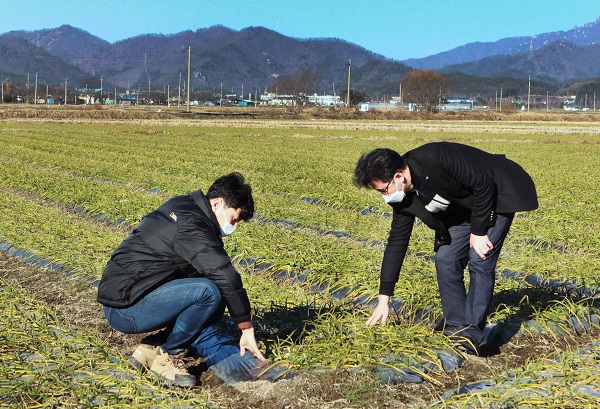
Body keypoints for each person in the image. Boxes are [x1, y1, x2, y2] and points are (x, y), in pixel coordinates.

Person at [353, 142, 538, 355]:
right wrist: (384, 298)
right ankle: (457, 326)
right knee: (446, 257)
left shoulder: (437, 157)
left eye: (384, 190)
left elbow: (483, 182)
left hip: (497, 193)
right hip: (465, 206)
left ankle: (471, 333)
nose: (385, 197)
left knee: (480, 257)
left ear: (398, 177)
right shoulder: (402, 196)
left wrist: (478, 232)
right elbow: (397, 241)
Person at [97, 173, 266, 386]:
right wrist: (246, 326)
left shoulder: (186, 208)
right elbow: (223, 273)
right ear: (217, 203)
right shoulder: (192, 224)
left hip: (128, 294)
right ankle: (168, 355)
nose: (234, 226)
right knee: (210, 292)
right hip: (124, 309)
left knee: (215, 295)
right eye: (234, 218)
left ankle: (151, 349)